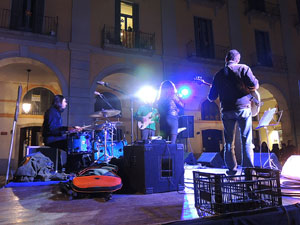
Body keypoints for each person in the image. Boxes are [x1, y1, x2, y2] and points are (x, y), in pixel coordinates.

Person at [208, 49, 259, 175]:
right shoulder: (243, 68)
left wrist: (216, 88)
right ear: (237, 60)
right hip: (243, 108)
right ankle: (248, 170)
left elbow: (211, 97)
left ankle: (231, 169)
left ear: (226, 59)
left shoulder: (218, 75)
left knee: (229, 141)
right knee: (246, 139)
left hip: (227, 111)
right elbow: (254, 84)